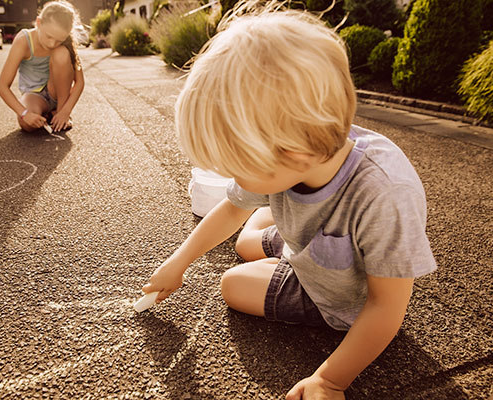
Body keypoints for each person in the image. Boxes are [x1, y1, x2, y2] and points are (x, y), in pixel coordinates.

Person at [141, 2, 437, 399]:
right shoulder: (295, 153)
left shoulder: (384, 195)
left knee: (232, 284)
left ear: (294, 156)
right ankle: (276, 236)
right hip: (313, 252)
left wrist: (330, 379)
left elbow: (386, 306)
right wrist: (178, 262)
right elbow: (232, 207)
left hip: (343, 302)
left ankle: (279, 239)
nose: (233, 178)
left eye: (237, 168)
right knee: (245, 240)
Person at [0, 0, 85, 133]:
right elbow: (2, 86)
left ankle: (58, 113)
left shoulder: (66, 43)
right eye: (49, 36)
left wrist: (65, 112)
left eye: (59, 40)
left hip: (58, 95)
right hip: (35, 96)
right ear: (39, 22)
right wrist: (24, 114)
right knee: (26, 125)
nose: (52, 43)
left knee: (61, 53)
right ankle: (48, 115)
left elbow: (79, 82)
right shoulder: (24, 41)